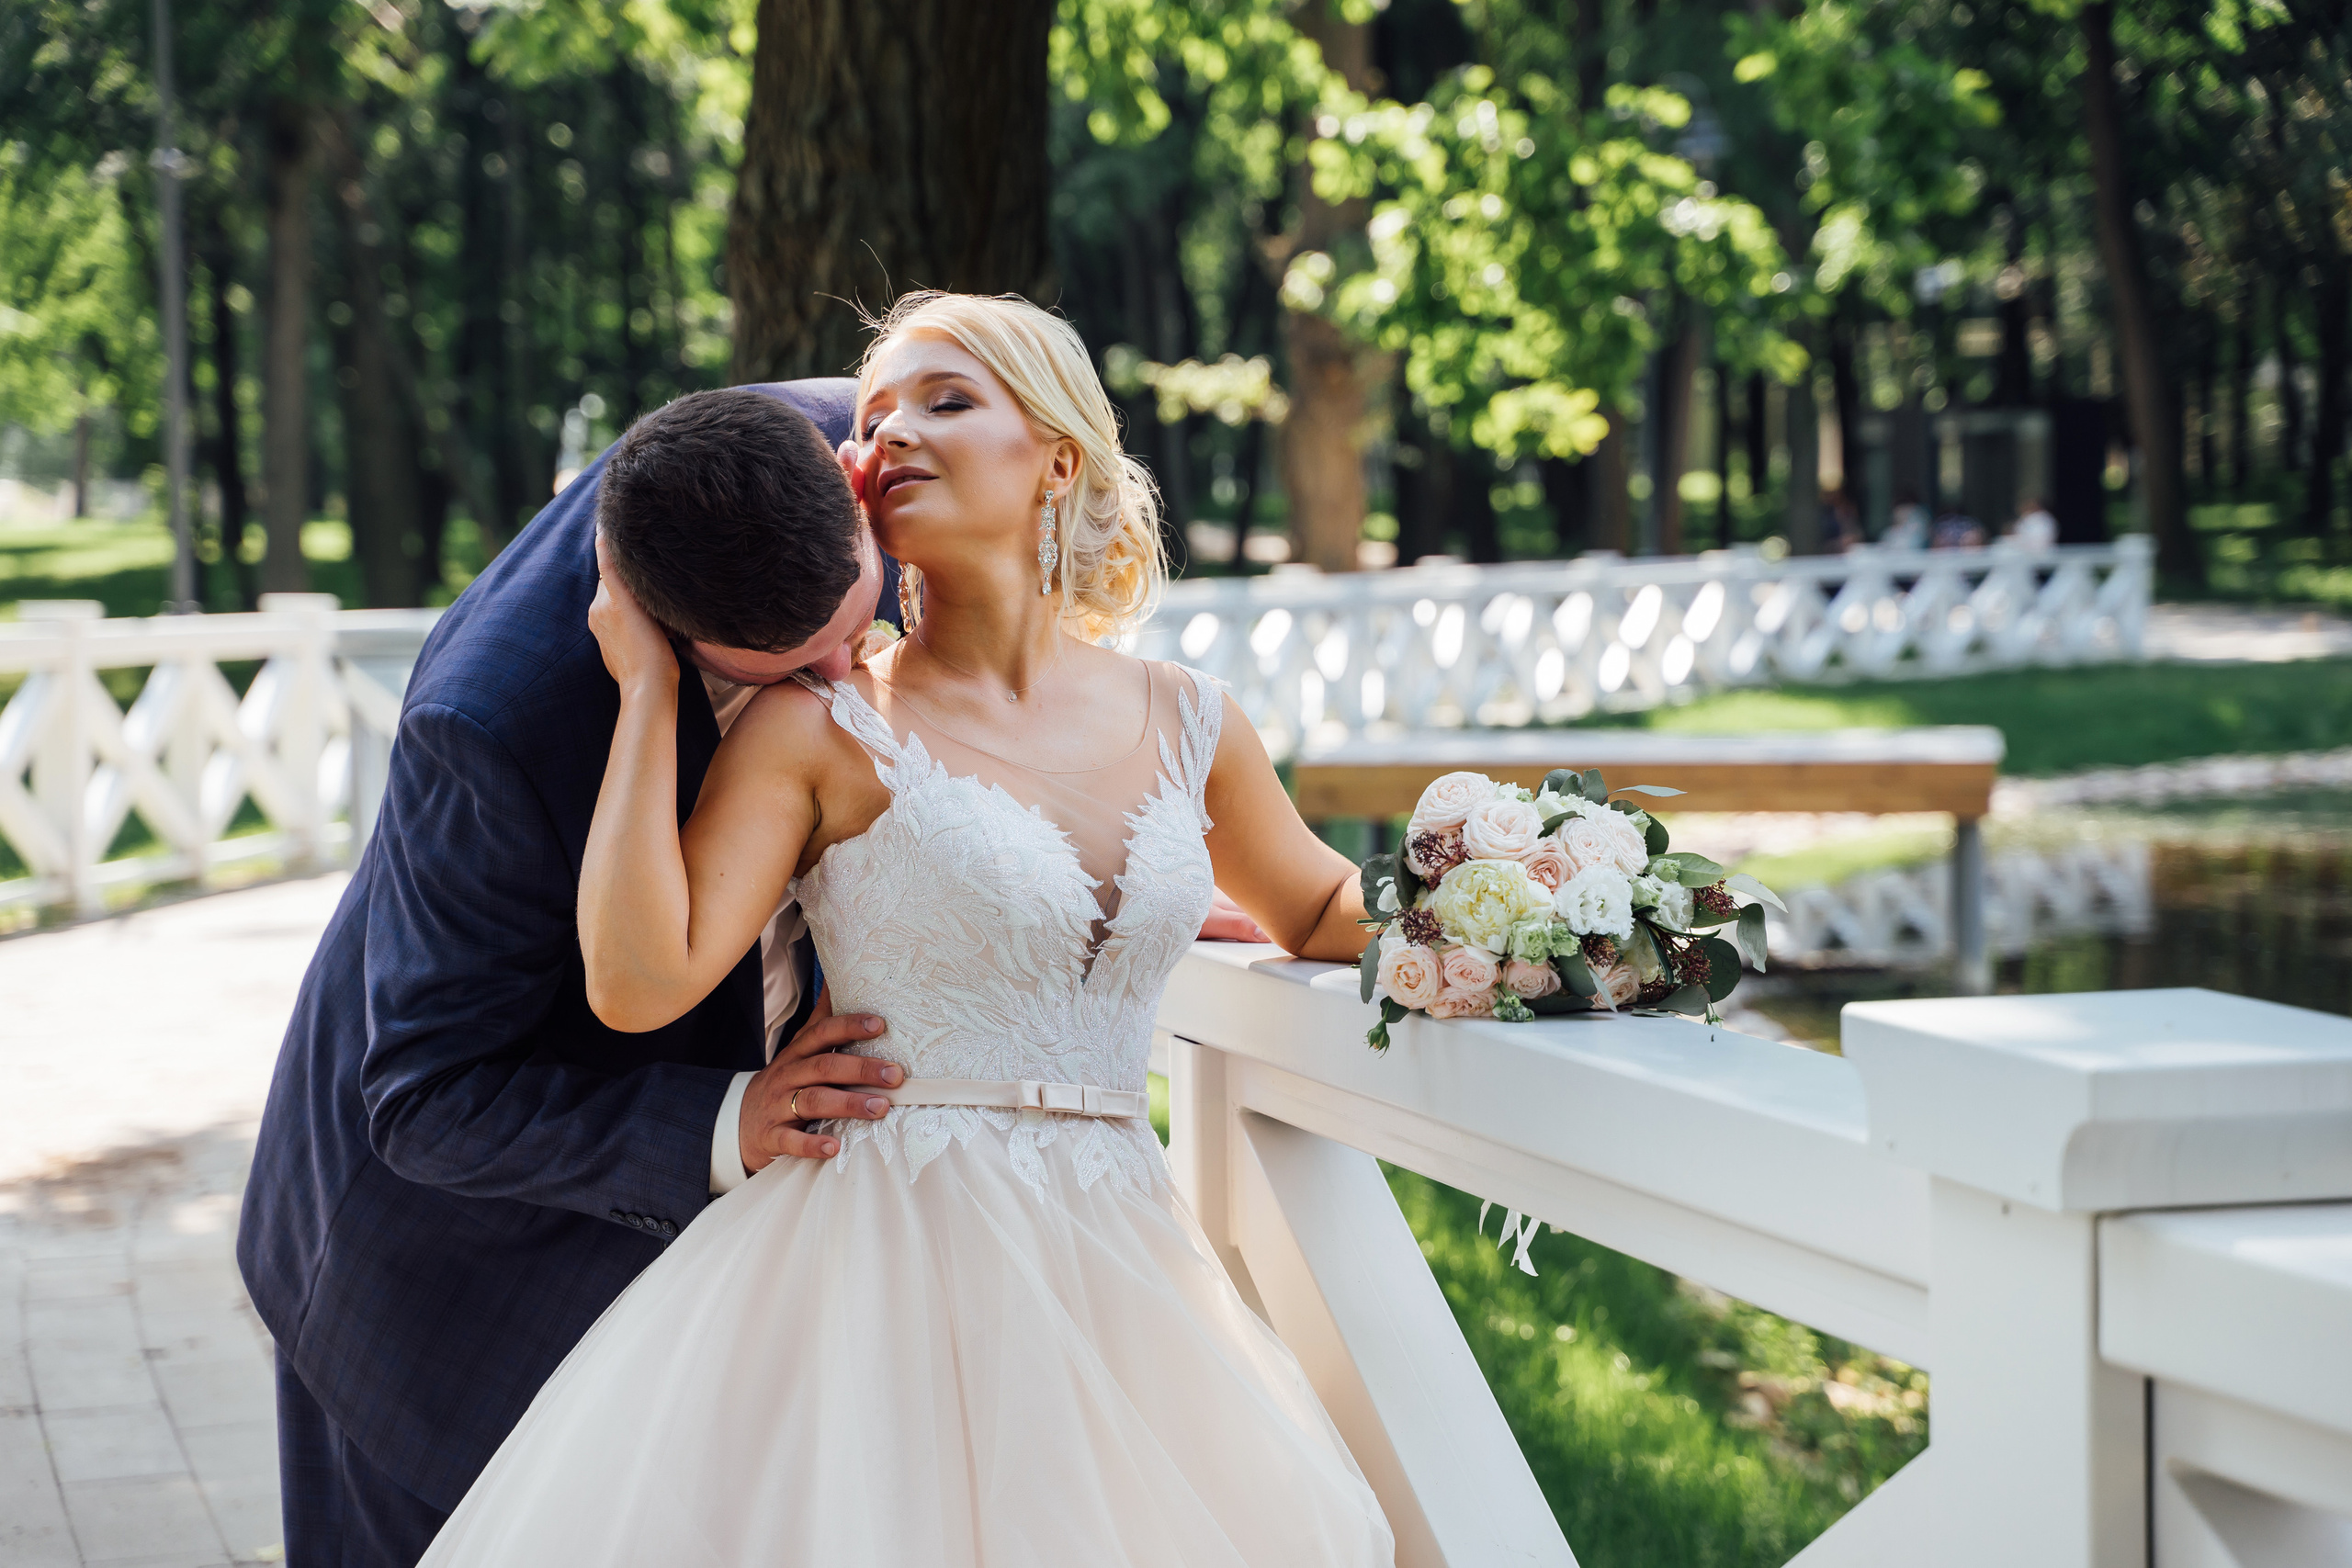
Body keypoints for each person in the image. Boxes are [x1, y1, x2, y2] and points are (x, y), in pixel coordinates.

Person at [413, 292, 1396, 1564]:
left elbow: (1314, 905)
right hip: (880, 1260)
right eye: (876, 417)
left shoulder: (1190, 717)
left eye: (948, 400)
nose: (893, 434)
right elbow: (639, 982)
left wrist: (1509, 905)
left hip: (1123, 1255)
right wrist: (647, 684)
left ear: (1058, 460)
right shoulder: (816, 726)